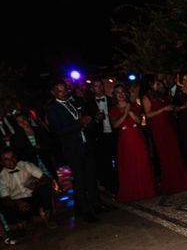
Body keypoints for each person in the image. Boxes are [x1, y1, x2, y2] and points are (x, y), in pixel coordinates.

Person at [45, 80, 101, 222]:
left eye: (65, 90)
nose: (63, 93)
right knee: (80, 180)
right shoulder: (52, 109)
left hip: (86, 145)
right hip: (72, 149)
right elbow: (59, 131)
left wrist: (93, 120)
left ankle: (97, 205)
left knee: (91, 177)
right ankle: (85, 210)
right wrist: (79, 123)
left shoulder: (74, 102)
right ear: (53, 93)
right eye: (59, 91)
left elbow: (85, 122)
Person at [142, 78, 187, 195]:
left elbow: (173, 108)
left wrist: (184, 106)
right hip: (158, 128)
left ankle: (181, 181)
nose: (159, 85)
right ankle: (171, 183)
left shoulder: (162, 96)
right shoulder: (146, 97)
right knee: (166, 156)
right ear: (151, 84)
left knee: (175, 153)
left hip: (169, 127)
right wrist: (163, 109)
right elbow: (148, 115)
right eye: (156, 83)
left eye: (160, 83)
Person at [109, 84, 156, 203]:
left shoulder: (135, 105)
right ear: (114, 95)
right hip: (125, 139)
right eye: (118, 93)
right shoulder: (113, 110)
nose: (121, 94)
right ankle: (132, 192)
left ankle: (145, 190)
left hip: (137, 136)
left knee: (143, 162)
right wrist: (125, 113)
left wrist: (132, 113)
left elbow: (140, 121)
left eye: (122, 92)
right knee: (128, 164)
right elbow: (115, 125)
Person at [0, 146, 56, 232]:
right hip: (17, 202)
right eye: (6, 159)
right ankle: (23, 223)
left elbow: (46, 179)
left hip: (33, 197)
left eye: (12, 157)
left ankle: (49, 217)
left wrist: (36, 184)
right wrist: (18, 203)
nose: (11, 161)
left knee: (45, 187)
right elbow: (5, 199)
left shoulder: (26, 165)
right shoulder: (2, 176)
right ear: (2, 162)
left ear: (16, 157)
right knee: (5, 204)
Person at [87, 79, 117, 196]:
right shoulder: (88, 105)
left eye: (99, 85)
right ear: (92, 89)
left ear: (103, 87)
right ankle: (109, 187)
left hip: (114, 134)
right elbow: (88, 126)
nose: (98, 87)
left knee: (118, 160)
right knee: (105, 163)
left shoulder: (112, 101)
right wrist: (95, 119)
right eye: (95, 86)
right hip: (100, 138)